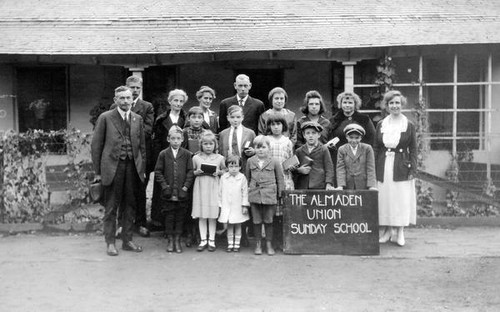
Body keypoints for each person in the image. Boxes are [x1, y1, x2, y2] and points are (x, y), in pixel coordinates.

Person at [91, 86, 146, 256]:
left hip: (132, 168)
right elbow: (96, 146)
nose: (125, 101)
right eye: (121, 98)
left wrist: (141, 168)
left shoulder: (137, 119)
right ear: (115, 100)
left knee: (130, 205)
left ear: (132, 100)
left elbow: (142, 147)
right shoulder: (106, 118)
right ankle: (110, 243)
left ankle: (127, 240)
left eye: (128, 98)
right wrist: (98, 172)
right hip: (112, 168)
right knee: (111, 207)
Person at [110, 76, 154, 238]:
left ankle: (141, 223)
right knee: (121, 191)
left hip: (139, 157)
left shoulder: (147, 107)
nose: (135, 91)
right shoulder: (115, 107)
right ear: (126, 87)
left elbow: (148, 130)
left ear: (141, 88)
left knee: (140, 191)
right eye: (131, 87)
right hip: (121, 157)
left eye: (137, 87)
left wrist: (130, 129)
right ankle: (121, 224)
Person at [374, 90, 417, 247]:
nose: (394, 106)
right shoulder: (381, 124)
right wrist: (373, 169)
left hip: (401, 166)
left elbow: (413, 149)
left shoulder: (408, 125)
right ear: (387, 106)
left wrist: (413, 170)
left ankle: (399, 232)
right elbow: (376, 147)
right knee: (385, 199)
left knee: (400, 200)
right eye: (391, 103)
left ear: (402, 104)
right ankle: (386, 231)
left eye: (397, 103)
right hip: (383, 165)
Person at [218, 105, 256, 246]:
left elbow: (255, 151)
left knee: (242, 200)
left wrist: (253, 151)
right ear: (228, 118)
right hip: (228, 172)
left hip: (243, 170)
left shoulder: (250, 133)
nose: (235, 120)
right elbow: (221, 152)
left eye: (238, 117)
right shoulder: (223, 134)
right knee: (229, 200)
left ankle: (243, 234)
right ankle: (228, 233)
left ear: (243, 118)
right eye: (232, 117)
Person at [154, 125, 194, 253]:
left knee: (180, 216)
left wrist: (185, 187)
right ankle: (170, 239)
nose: (175, 141)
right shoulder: (163, 154)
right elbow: (158, 172)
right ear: (168, 139)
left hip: (182, 192)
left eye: (178, 138)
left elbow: (190, 172)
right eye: (173, 138)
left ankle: (177, 239)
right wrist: (165, 186)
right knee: (169, 216)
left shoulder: (187, 154)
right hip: (169, 193)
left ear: (182, 139)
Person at [151, 89, 188, 225]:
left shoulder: (186, 119)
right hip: (164, 158)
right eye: (176, 100)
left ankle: (180, 224)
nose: (178, 104)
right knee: (163, 189)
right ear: (170, 101)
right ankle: (160, 222)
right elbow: (156, 142)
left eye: (181, 101)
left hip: (181, 158)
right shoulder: (161, 119)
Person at [245, 135, 285, 256]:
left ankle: (268, 244)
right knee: (256, 221)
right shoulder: (250, 161)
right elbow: (247, 178)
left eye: (263, 147)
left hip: (269, 195)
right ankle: (258, 244)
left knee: (269, 221)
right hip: (255, 194)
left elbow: (280, 178)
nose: (260, 150)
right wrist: (247, 193)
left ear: (268, 148)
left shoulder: (274, 161)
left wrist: (280, 194)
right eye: (257, 147)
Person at [326, 91, 376, 185]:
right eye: (345, 102)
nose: (347, 105)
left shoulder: (364, 119)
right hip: (340, 159)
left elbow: (372, 139)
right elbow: (330, 138)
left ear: (355, 104)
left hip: (359, 159)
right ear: (340, 104)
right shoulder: (334, 120)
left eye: (350, 103)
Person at [191, 131, 226, 252]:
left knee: (211, 215)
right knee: (202, 215)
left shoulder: (220, 158)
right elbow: (191, 172)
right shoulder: (196, 158)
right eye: (205, 144)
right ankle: (203, 240)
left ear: (215, 145)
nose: (208, 146)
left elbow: (226, 170)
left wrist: (219, 172)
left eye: (211, 144)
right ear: (201, 145)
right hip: (200, 188)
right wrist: (196, 172)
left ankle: (211, 239)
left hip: (213, 188)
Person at [265, 115, 294, 250]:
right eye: (273, 124)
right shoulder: (266, 140)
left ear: (283, 126)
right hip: (270, 180)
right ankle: (273, 240)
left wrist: (292, 165)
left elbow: (290, 159)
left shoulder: (287, 141)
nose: (276, 127)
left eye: (279, 124)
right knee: (273, 212)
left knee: (284, 212)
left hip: (285, 178)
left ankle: (284, 241)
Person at [218, 155, 250, 252]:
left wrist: (244, 205)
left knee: (238, 225)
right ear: (227, 167)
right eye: (231, 166)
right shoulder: (224, 177)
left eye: (236, 166)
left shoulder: (242, 177)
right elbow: (219, 192)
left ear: (240, 167)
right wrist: (220, 205)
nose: (234, 169)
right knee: (230, 225)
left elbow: (245, 192)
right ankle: (230, 244)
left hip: (238, 206)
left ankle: (237, 244)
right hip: (227, 205)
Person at [293, 121, 335, 190]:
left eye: (313, 133)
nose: (310, 136)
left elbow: (329, 168)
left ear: (319, 135)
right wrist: (299, 170)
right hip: (303, 186)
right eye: (308, 133)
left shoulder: (323, 149)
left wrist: (329, 184)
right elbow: (293, 169)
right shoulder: (299, 151)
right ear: (304, 135)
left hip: (319, 186)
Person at [336, 123, 377, 190]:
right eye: (351, 137)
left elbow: (371, 168)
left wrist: (371, 186)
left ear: (361, 137)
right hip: (348, 185)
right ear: (346, 137)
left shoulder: (367, 149)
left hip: (363, 185)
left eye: (357, 138)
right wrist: (341, 185)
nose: (354, 141)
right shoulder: (342, 149)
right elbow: (340, 168)